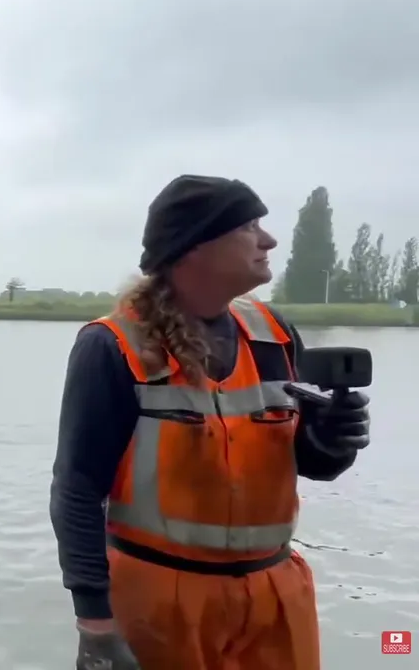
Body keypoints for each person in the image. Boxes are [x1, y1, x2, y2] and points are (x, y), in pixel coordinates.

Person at [50, 175, 372, 670]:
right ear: (195, 246)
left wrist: (333, 438)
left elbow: (314, 465)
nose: (269, 240)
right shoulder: (113, 346)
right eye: (249, 227)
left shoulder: (274, 334)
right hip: (161, 600)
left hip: (274, 598)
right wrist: (94, 624)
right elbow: (77, 489)